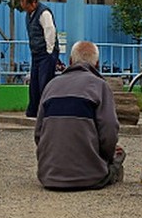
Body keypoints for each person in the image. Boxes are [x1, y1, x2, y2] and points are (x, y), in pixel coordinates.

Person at [34, 40, 125, 190]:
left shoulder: (51, 85)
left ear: (70, 62)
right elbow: (109, 132)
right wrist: (108, 156)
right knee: (120, 153)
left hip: (48, 176)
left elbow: (38, 133)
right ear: (96, 64)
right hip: (90, 178)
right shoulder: (100, 86)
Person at [20, 0, 59, 118]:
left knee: (45, 82)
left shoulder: (44, 13)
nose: (23, 6)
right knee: (34, 83)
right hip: (36, 53)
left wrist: (49, 51)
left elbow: (50, 31)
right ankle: (34, 110)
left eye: (25, 3)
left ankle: (46, 111)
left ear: (34, 2)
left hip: (46, 53)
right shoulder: (29, 14)